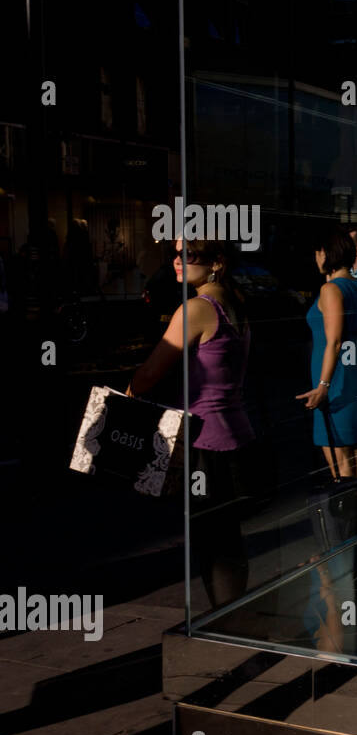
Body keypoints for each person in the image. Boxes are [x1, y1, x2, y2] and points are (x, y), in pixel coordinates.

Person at [127, 236, 256, 608]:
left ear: (217, 261)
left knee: (211, 541)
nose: (179, 261)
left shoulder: (197, 308)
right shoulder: (235, 301)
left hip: (205, 443)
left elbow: (152, 370)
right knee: (228, 537)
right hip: (236, 436)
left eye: (190, 254)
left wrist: (129, 394)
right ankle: (235, 614)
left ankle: (227, 622)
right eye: (175, 254)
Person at [297, 229, 357, 479]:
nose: (316, 259)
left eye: (318, 253)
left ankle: (351, 517)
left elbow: (333, 342)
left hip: (336, 382)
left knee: (340, 462)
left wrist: (323, 386)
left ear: (327, 254)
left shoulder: (331, 290)